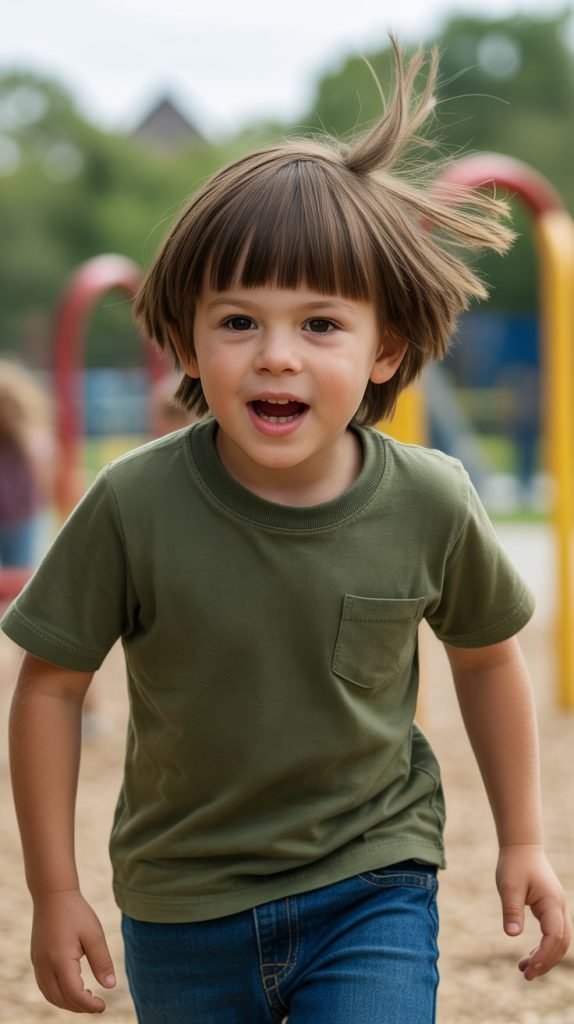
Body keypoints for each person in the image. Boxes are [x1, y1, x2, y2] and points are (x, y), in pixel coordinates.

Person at [3, 41, 571, 1023]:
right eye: (237, 322)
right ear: (182, 337)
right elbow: (51, 687)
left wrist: (523, 837)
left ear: (383, 344)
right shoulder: (132, 504)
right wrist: (55, 890)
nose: (276, 357)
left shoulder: (430, 499)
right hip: (182, 903)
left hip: (373, 884)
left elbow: (483, 660)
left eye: (318, 324)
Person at [0, 359, 54, 568]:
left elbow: (42, 462)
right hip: (18, 516)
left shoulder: (29, 438)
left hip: (22, 519)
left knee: (22, 573)